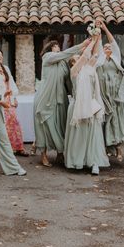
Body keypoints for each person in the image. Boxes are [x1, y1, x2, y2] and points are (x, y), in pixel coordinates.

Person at [34, 38, 87, 167]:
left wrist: (76, 95)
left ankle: (60, 154)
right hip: (46, 97)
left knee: (61, 125)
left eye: (58, 46)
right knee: (45, 126)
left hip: (61, 98)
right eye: (55, 46)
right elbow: (63, 54)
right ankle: (43, 155)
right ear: (50, 48)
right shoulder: (48, 57)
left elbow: (69, 81)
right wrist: (81, 45)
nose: (58, 47)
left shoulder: (63, 63)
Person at [64, 36, 110, 175]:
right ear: (73, 62)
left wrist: (98, 37)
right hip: (77, 106)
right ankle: (78, 161)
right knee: (80, 135)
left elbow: (96, 55)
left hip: (91, 105)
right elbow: (86, 56)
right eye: (76, 58)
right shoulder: (74, 72)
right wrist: (92, 41)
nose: (80, 59)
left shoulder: (89, 69)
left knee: (93, 134)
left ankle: (94, 162)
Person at [97, 22, 124, 162]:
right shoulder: (100, 60)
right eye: (105, 47)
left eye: (109, 47)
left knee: (116, 122)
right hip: (103, 96)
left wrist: (105, 28)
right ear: (102, 50)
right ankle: (106, 149)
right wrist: (97, 31)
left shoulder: (116, 59)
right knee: (104, 122)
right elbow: (97, 45)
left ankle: (119, 149)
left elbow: (113, 42)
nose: (108, 47)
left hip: (115, 97)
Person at [0, 50, 28, 156]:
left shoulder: (6, 68)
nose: (0, 56)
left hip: (9, 99)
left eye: (1, 54)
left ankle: (18, 147)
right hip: (0, 99)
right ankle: (8, 148)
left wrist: (14, 98)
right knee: (4, 124)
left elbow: (11, 83)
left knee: (14, 122)